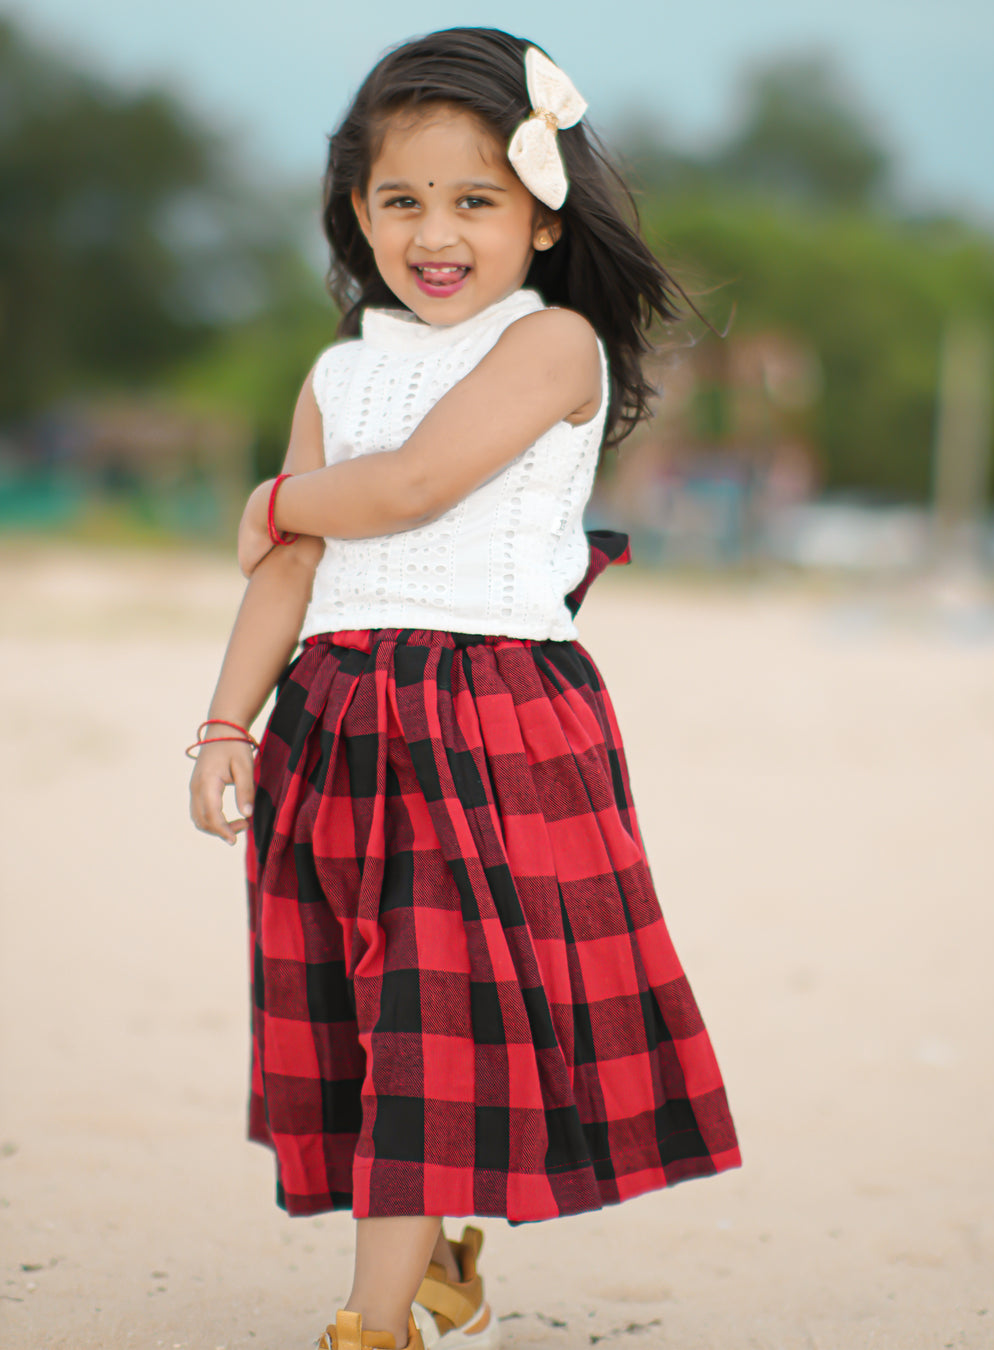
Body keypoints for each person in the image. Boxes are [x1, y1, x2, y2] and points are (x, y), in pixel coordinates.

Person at [188, 27, 740, 1350]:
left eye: (475, 200)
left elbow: (413, 487)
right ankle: (437, 1263)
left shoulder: (553, 345)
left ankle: (373, 1322)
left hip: (485, 717)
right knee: (366, 1007)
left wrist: (269, 496)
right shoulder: (340, 370)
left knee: (435, 1010)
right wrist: (225, 720)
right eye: (402, 200)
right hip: (336, 713)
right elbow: (292, 571)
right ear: (357, 210)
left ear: (543, 216)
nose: (435, 233)